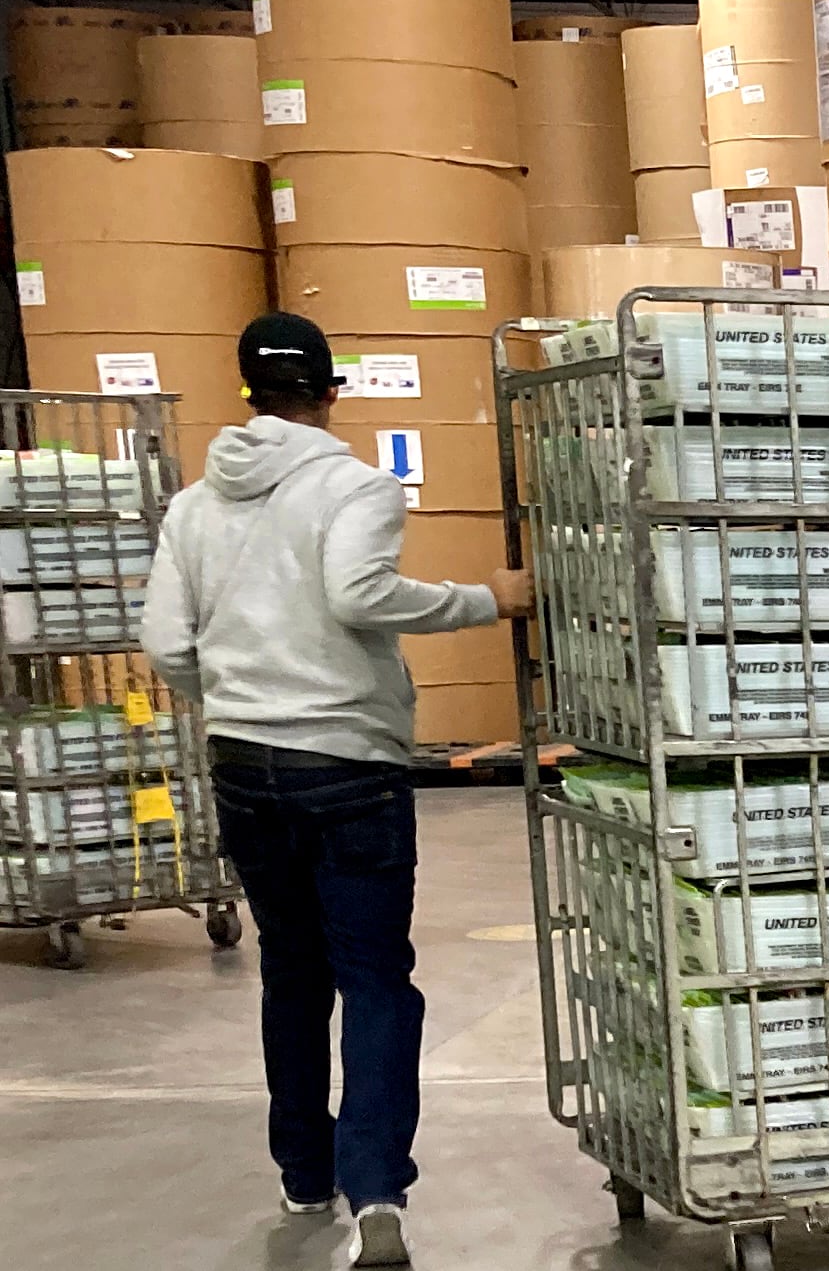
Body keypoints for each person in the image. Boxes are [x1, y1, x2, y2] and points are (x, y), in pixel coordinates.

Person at [141, 312, 532, 1267]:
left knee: (292, 968)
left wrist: (235, 699)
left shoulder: (193, 505)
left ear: (246, 395)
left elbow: (164, 644)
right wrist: (487, 601)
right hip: (346, 764)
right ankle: (377, 1196)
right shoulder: (357, 486)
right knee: (374, 977)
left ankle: (303, 1171)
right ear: (329, 391)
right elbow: (359, 595)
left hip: (243, 764)